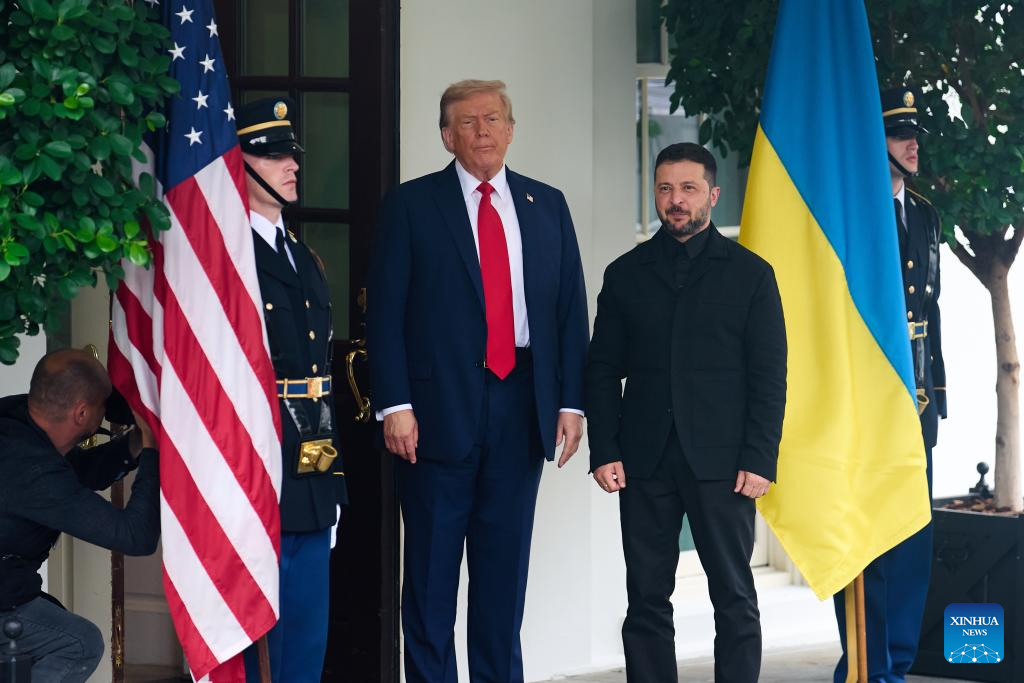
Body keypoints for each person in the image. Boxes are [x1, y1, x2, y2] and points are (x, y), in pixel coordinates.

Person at [367, 79, 589, 683]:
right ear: (447, 136)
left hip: (522, 407)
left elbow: (570, 312)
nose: (482, 130)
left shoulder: (548, 205)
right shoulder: (411, 206)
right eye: (467, 122)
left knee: (503, 579)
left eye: (493, 119)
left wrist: (571, 404)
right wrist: (395, 404)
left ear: (511, 130)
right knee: (431, 580)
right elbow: (385, 313)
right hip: (434, 412)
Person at [585, 142, 787, 683]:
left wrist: (760, 457)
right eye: (665, 188)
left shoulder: (751, 275)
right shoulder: (625, 274)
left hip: (725, 464)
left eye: (689, 188)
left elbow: (769, 376)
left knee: (734, 594)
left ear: (713, 195)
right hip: (643, 460)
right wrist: (604, 448)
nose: (675, 200)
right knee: (646, 598)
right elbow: (601, 369)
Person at [831, 86, 947, 683]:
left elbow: (931, 310)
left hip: (914, 399)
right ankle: (865, 664)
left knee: (911, 535)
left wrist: (939, 394)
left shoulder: (924, 213)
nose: (912, 145)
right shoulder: (850, 215)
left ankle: (896, 663)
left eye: (915, 136)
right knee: (864, 535)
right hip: (862, 398)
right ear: (872, 144)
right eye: (900, 135)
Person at [235, 97, 347, 682]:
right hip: (255, 455)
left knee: (307, 626)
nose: (292, 165)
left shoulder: (303, 257)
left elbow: (315, 381)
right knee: (258, 631)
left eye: (291, 154)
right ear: (241, 167)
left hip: (310, 456)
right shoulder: (230, 257)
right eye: (273, 155)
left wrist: (330, 477)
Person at [0, 348, 159, 682]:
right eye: (103, 406)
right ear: (82, 412)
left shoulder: (17, 421)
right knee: (80, 642)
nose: (106, 413)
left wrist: (134, 444)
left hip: (10, 585)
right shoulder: (33, 471)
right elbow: (136, 537)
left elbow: (72, 475)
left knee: (49, 617)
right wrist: (152, 452)